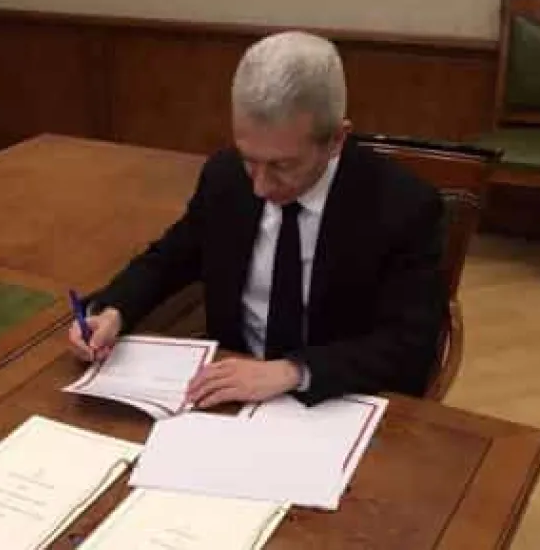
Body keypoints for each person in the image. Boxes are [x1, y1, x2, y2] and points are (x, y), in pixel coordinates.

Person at [69, 31, 447, 407]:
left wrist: (293, 371)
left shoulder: (403, 206)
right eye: (249, 159)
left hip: (333, 401)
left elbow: (409, 348)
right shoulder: (225, 177)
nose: (260, 186)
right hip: (226, 396)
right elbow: (170, 258)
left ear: (336, 140)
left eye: (282, 166)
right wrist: (114, 310)